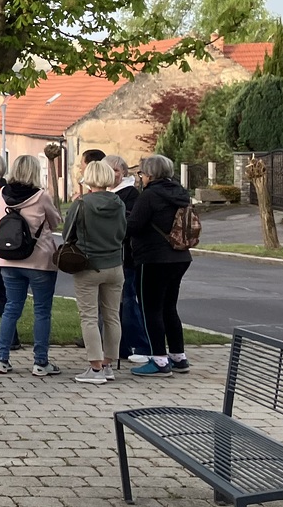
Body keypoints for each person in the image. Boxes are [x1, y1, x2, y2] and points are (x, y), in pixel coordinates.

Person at [0, 154, 63, 377]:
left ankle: (2, 359)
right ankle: (40, 362)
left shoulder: (2, 194)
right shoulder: (41, 196)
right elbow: (55, 222)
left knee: (11, 308)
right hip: (39, 259)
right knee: (41, 311)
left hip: (8, 258)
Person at [127, 154, 194, 377]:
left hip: (153, 258)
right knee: (169, 307)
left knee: (151, 309)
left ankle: (159, 360)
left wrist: (124, 219)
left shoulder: (149, 195)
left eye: (142, 173)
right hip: (180, 256)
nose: (141, 177)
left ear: (150, 174)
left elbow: (134, 226)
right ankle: (178, 356)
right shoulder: (181, 193)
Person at [63, 160, 128, 384]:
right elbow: (123, 231)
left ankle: (95, 367)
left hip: (88, 264)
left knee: (89, 317)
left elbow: (67, 234)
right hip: (115, 264)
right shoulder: (119, 203)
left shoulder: (81, 204)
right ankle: (108, 364)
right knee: (112, 316)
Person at [105, 155, 151, 360]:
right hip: (107, 255)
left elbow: (129, 223)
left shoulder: (130, 193)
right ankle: (119, 346)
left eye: (117, 170)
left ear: (124, 172)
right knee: (110, 305)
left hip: (126, 256)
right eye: (109, 170)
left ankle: (141, 345)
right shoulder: (101, 193)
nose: (113, 174)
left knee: (128, 302)